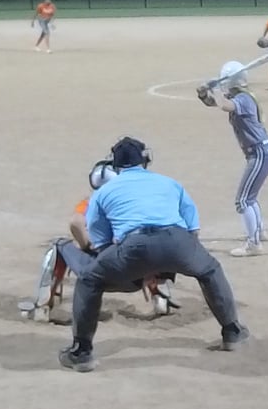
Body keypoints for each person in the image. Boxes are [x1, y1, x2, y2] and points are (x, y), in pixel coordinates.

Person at [59, 137, 250, 372]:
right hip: (177, 240)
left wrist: (138, 268)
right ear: (145, 160)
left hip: (134, 245)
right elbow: (193, 230)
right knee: (209, 270)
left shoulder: (103, 192)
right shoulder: (169, 183)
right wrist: (174, 261)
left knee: (89, 280)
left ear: (115, 165)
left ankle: (81, 352)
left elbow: (102, 244)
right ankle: (232, 331)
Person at [26, 158, 179, 321]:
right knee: (156, 241)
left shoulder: (90, 202)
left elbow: (75, 223)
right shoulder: (135, 204)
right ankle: (160, 297)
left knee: (59, 246)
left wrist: (86, 244)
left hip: (98, 274)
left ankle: (42, 306)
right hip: (135, 278)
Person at [196, 61, 268, 256]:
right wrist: (203, 94)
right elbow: (215, 103)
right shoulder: (240, 96)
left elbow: (225, 106)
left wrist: (215, 88)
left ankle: (254, 244)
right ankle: (258, 231)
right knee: (249, 197)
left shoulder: (243, 99)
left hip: (260, 153)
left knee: (243, 201)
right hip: (260, 152)